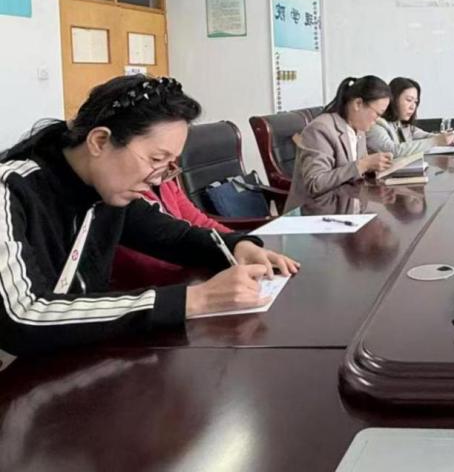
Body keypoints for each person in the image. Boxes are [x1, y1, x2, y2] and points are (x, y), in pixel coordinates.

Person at [0, 75, 299, 355]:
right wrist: (196, 299)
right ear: (100, 141)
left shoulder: (106, 190)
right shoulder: (10, 189)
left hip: (77, 356)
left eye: (169, 164)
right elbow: (24, 314)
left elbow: (175, 237)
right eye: (156, 159)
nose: (157, 179)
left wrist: (238, 245)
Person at [285, 76, 394, 212]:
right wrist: (363, 165)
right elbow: (315, 184)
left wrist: (373, 167)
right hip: (314, 214)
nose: (377, 120)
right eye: (377, 114)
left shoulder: (359, 129)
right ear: (358, 104)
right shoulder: (321, 128)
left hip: (345, 206)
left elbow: (353, 173)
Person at [111, 176, 232, 289]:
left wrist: (237, 241)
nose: (172, 167)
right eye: (157, 161)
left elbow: (201, 222)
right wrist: (218, 267)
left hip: (190, 278)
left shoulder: (166, 184)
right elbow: (148, 266)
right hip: (150, 290)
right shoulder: (118, 197)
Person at [366, 77, 454, 157]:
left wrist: (448, 138)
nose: (413, 107)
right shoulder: (375, 124)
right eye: (409, 100)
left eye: (415, 102)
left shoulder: (401, 124)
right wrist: (436, 140)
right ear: (393, 99)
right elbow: (392, 151)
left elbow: (425, 136)